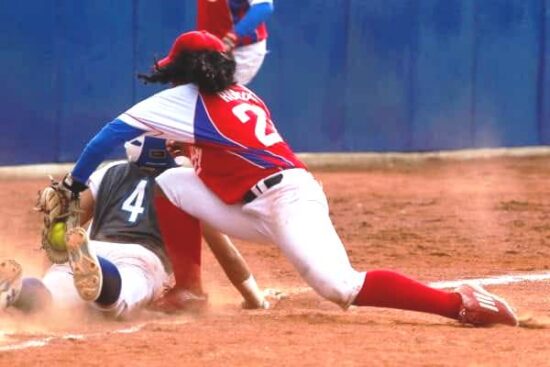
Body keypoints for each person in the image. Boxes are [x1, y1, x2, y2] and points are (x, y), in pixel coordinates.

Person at [56, 30, 518, 327]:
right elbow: (228, 148)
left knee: (340, 287)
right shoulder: (239, 92)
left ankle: (457, 303)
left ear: (181, 72)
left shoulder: (185, 100)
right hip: (252, 203)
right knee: (170, 185)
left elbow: (108, 136)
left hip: (288, 200)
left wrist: (75, 184)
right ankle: (189, 290)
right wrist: (192, 150)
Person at [0, 136, 267, 318]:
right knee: (117, 303)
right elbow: (226, 254)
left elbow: (66, 222)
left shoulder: (110, 170)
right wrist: (255, 298)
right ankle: (101, 273)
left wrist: (55, 263)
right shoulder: (185, 184)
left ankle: (19, 290)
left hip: (92, 246)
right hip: (140, 259)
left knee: (52, 298)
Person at [194, 0, 274, 85]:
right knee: (192, 89)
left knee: (220, 91)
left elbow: (264, 7)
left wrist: (233, 37)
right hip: (208, 46)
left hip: (242, 49)